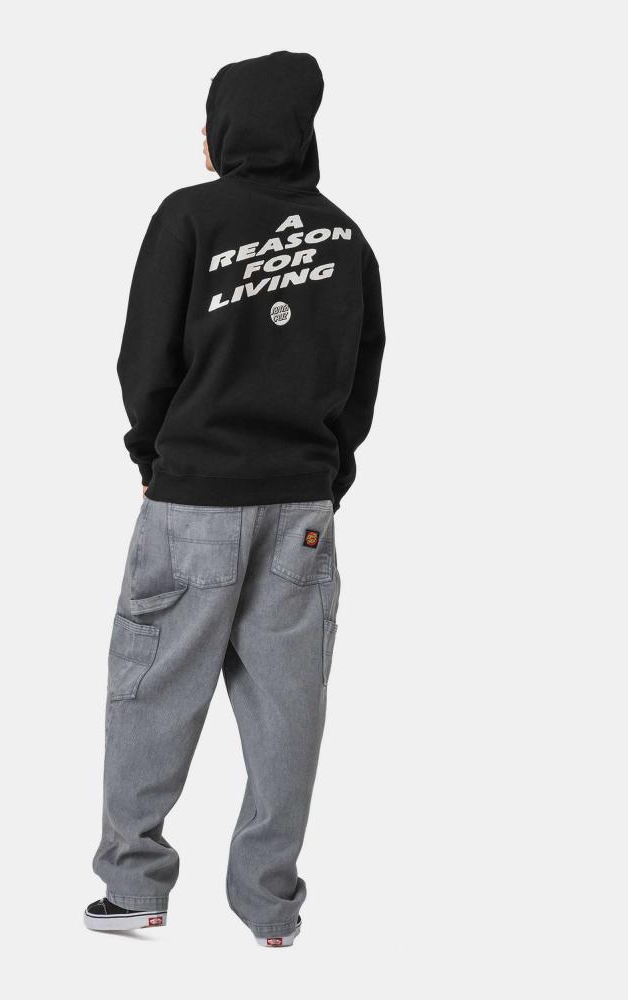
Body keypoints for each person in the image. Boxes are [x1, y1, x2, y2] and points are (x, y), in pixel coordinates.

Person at [85, 50, 385, 947]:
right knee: (290, 707)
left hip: (194, 501)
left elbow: (145, 358)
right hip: (302, 510)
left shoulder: (188, 216)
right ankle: (270, 907)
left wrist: (154, 453)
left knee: (152, 688)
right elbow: (362, 374)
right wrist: (327, 474)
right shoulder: (346, 239)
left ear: (225, 130)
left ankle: (134, 885)